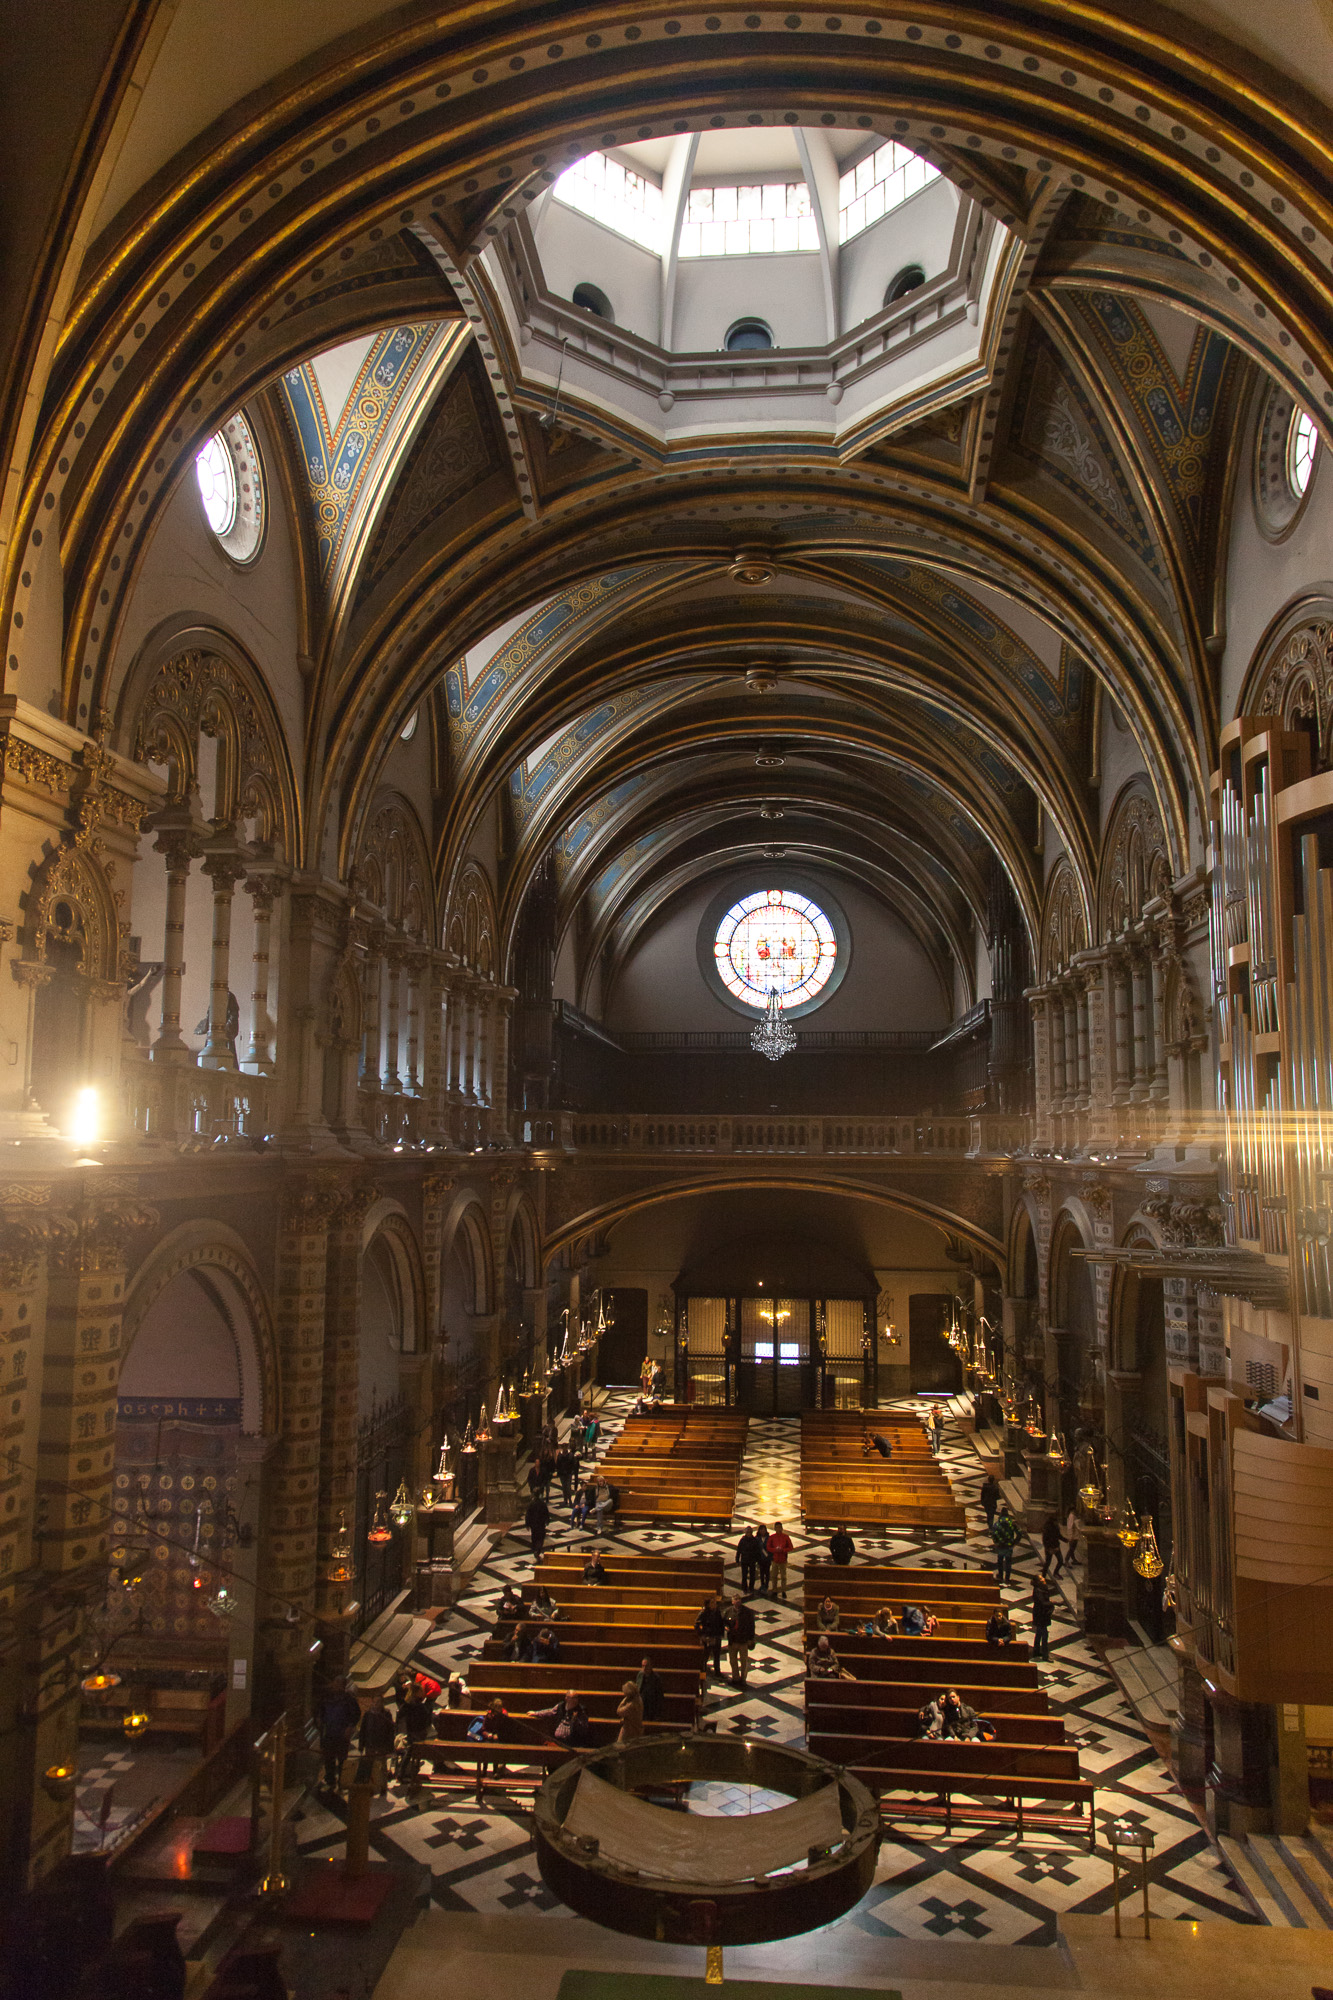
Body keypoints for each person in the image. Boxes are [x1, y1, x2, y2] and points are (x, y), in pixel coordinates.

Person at [318, 1678, 361, 1793]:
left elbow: (356, 1714)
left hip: (342, 1734)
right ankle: (330, 1782)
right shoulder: (328, 1697)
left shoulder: (348, 1699)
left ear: (342, 1686)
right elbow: (321, 1712)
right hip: (329, 1733)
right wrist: (321, 1721)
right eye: (334, 1683)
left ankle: (342, 1783)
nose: (335, 1685)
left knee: (342, 1760)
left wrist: (350, 1727)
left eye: (338, 1683)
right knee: (329, 1759)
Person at [357, 1691, 396, 1798]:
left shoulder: (386, 1714)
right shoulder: (368, 1714)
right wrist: (361, 1745)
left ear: (381, 1703)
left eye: (378, 1702)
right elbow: (363, 1730)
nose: (375, 1704)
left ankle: (383, 1786)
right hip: (370, 1744)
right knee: (370, 1767)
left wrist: (390, 1747)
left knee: (382, 1767)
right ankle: (371, 1787)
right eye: (374, 1702)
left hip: (381, 1745)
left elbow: (390, 1731)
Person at [396, 1684, 433, 1788]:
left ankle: (403, 1774)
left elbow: (400, 1715)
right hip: (418, 1732)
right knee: (413, 1753)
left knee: (410, 1753)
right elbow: (425, 1718)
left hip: (412, 1732)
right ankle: (404, 1774)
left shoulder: (408, 1704)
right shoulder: (418, 1705)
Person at [724, 1592, 756, 1688]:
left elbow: (751, 1626)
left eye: (739, 1600)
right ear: (732, 1602)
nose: (738, 1602)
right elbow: (724, 1622)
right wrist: (726, 1627)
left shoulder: (747, 1612)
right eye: (736, 1600)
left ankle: (743, 1679)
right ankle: (735, 1678)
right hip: (732, 1640)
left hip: (743, 1640)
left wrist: (751, 1639)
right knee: (733, 1661)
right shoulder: (728, 1611)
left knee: (744, 1661)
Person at [695, 1593, 725, 1677]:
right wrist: (702, 1635)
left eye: (715, 1603)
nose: (714, 1604)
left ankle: (717, 1671)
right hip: (708, 1637)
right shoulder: (704, 1613)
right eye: (712, 1603)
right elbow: (696, 1625)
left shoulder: (717, 1611)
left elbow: (721, 1623)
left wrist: (721, 1633)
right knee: (706, 1655)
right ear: (708, 1604)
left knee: (717, 1655)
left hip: (716, 1636)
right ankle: (703, 1671)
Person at [992, 1502, 1020, 1585]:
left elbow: (993, 1534)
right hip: (1009, 1546)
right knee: (1008, 1562)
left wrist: (996, 1542)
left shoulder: (997, 1524)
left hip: (1000, 1546)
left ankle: (1000, 1576)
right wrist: (1015, 1542)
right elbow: (1019, 1534)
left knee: (1000, 1561)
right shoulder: (1011, 1524)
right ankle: (1007, 1578)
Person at [767, 1520, 793, 1599]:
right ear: (775, 1528)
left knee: (783, 1577)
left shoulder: (786, 1537)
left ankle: (783, 1591)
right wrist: (775, 1550)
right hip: (775, 1559)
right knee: (774, 1576)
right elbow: (768, 1547)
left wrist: (783, 1550)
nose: (778, 1529)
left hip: (783, 1559)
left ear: (782, 1528)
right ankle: (774, 1590)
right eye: (777, 1527)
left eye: (779, 1527)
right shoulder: (772, 1537)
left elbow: (791, 1547)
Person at [1031, 1575, 1055, 1662]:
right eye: (1041, 1578)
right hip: (1040, 1615)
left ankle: (1036, 1651)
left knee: (1039, 1633)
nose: (1043, 1579)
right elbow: (1043, 1603)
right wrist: (1053, 1603)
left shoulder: (1042, 1588)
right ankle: (1045, 1656)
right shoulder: (1037, 1591)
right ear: (1038, 1582)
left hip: (1042, 1614)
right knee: (1044, 1635)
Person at [636, 1655, 666, 1721]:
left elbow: (659, 1697)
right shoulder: (640, 1675)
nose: (644, 1668)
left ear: (651, 1666)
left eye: (646, 1666)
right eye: (642, 1666)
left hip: (651, 1707)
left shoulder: (656, 1678)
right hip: (642, 1707)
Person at [525, 1490, 551, 1558]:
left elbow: (528, 1514)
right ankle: (538, 1549)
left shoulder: (531, 1504)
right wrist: (547, 1521)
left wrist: (527, 1524)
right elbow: (546, 1513)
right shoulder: (542, 1504)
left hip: (534, 1524)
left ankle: (535, 1549)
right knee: (541, 1537)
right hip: (541, 1523)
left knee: (534, 1537)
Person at [736, 1525, 759, 1595]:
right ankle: (744, 1588)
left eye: (750, 1532)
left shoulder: (755, 1540)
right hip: (744, 1559)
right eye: (747, 1532)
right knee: (744, 1575)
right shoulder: (742, 1540)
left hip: (752, 1560)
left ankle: (751, 1588)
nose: (749, 1533)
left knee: (752, 1575)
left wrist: (757, 1559)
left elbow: (757, 1550)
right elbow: (739, 1550)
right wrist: (737, 1559)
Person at [1040, 1513, 1064, 1579]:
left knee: (1060, 1561)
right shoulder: (1047, 1528)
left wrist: (1065, 1540)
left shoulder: (1056, 1527)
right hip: (1049, 1547)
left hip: (1056, 1546)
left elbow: (1058, 1535)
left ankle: (1056, 1572)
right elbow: (1045, 1540)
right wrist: (1048, 1548)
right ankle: (1043, 1576)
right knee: (1048, 1562)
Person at [556, 1441, 579, 1507]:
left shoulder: (570, 1455)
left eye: (565, 1447)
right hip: (562, 1474)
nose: (564, 1449)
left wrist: (571, 1471)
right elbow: (558, 1464)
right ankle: (565, 1500)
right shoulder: (560, 1455)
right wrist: (559, 1471)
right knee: (564, 1487)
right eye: (563, 1448)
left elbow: (573, 1464)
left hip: (568, 1473)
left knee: (568, 1487)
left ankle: (570, 1500)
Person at [754, 1523, 772, 1594]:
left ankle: (766, 1585)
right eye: (761, 1530)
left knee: (767, 1572)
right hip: (760, 1558)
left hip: (767, 1558)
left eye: (764, 1530)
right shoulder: (757, 1538)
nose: (762, 1531)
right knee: (761, 1572)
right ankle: (762, 1585)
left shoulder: (769, 1538)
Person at [1063, 1506, 1080, 1571]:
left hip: (1074, 1535)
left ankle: (1074, 1559)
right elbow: (1070, 1527)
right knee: (1071, 1549)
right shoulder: (1071, 1516)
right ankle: (1066, 1560)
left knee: (1072, 1548)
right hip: (1073, 1536)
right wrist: (1071, 1536)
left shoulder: (1072, 1516)